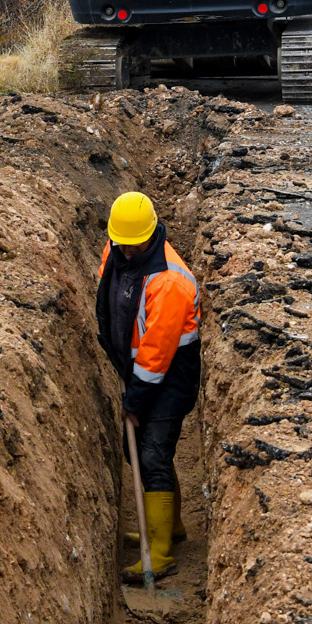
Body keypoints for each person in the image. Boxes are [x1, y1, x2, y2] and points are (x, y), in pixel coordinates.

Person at [95, 191, 200, 583]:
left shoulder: (170, 281)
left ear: (150, 234)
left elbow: (157, 354)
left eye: (131, 245)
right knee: (140, 449)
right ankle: (167, 527)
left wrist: (135, 400)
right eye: (120, 244)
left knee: (153, 452)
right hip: (139, 370)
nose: (124, 251)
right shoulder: (118, 248)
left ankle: (159, 552)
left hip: (169, 377)